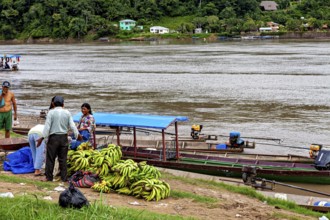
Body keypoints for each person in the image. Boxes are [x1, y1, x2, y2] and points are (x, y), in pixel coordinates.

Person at [38, 96, 82, 182]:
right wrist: (78, 135)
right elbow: (72, 125)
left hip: (53, 138)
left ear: (53, 104)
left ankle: (49, 177)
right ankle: (64, 178)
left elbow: (47, 127)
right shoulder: (67, 113)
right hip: (63, 138)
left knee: (50, 158)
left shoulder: (51, 113)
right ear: (63, 104)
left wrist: (42, 137)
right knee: (63, 159)